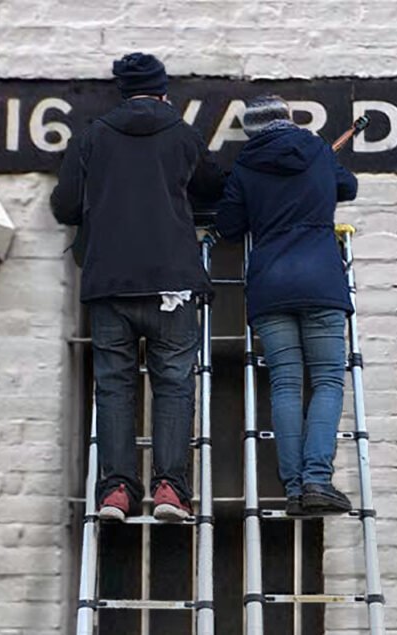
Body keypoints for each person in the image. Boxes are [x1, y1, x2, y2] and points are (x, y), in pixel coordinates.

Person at [50, 52, 225, 522]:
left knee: (113, 386)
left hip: (109, 283)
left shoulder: (92, 136)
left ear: (122, 91)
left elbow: (65, 205)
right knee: (174, 384)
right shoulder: (182, 134)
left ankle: (116, 491)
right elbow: (212, 188)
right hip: (172, 282)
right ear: (163, 91)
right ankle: (170, 488)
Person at [216, 95, 358, 515]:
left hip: (270, 285)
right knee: (328, 380)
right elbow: (348, 187)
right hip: (321, 281)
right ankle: (318, 479)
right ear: (288, 119)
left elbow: (228, 226)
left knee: (285, 384)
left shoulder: (245, 166)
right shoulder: (316, 150)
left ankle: (295, 489)